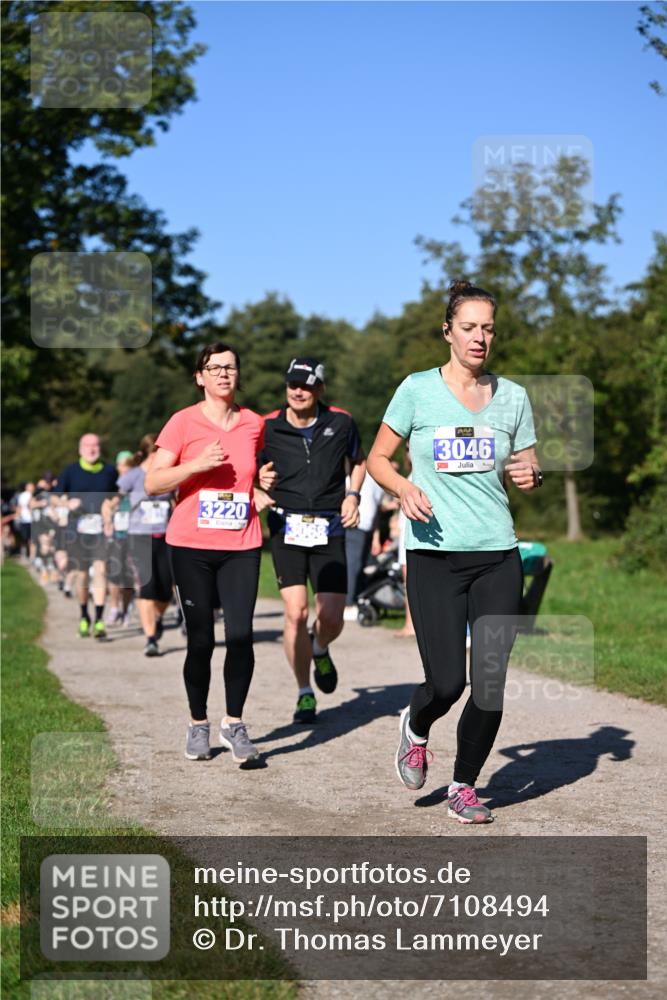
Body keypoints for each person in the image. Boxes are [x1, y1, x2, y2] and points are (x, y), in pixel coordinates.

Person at [367, 280, 542, 825]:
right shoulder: (417, 390)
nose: (479, 337)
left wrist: (530, 474)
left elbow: (528, 463)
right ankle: (417, 726)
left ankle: (464, 786)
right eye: (469, 327)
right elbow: (377, 459)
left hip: (497, 553)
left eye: (488, 328)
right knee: (447, 683)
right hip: (434, 556)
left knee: (489, 684)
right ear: (448, 331)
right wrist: (403, 487)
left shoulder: (513, 397)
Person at [145, 342, 277, 763]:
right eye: (214, 368)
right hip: (191, 545)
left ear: (238, 375)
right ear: (200, 377)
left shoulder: (254, 423)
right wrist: (195, 465)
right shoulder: (182, 422)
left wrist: (260, 485)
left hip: (241, 543)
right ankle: (197, 723)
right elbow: (153, 482)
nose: (223, 374)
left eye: (230, 367)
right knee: (201, 639)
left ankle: (233, 723)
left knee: (240, 636)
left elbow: (251, 472)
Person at [261, 357, 366, 724]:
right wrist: (259, 480)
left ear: (320, 389)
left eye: (306, 386)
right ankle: (304, 692)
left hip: (329, 526)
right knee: (296, 613)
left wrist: (352, 496)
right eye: (293, 384)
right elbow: (251, 467)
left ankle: (320, 647)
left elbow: (359, 461)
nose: (298, 391)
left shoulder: (341, 422)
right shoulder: (268, 426)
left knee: (332, 616)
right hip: (285, 526)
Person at [56, 434, 119, 639]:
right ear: (80, 448)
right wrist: (66, 503)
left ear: (100, 448)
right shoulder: (70, 471)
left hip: (101, 529)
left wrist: (111, 505)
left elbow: (117, 494)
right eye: (87, 446)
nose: (91, 449)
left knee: (101, 572)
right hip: (78, 531)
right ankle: (84, 616)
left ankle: (99, 620)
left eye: (95, 446)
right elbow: (54, 498)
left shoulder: (109, 471)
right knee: (82, 574)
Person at [117, 434, 174, 656]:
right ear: (146, 454)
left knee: (166, 590)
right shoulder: (133, 476)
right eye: (155, 455)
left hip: (166, 536)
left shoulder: (168, 474)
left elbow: (176, 500)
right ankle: (150, 639)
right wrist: (108, 510)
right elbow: (116, 497)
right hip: (139, 536)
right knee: (147, 587)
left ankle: (157, 617)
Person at [343, 471, 384, 621]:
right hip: (354, 525)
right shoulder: (356, 475)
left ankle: (357, 600)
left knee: (361, 568)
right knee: (353, 567)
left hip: (368, 528)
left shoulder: (378, 478)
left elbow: (377, 508)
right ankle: (348, 605)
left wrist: (376, 538)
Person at [103, 451, 135, 627]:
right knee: (114, 574)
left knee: (128, 576)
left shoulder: (138, 483)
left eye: (128, 465)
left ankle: (126, 609)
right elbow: (105, 505)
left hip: (133, 535)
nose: (125, 469)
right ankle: (114, 608)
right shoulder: (113, 485)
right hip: (116, 535)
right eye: (122, 465)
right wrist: (107, 519)